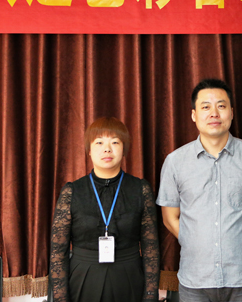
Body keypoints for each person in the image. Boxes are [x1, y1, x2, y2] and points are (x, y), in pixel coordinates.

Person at [157, 78, 242, 302]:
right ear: (194, 115)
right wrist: (196, 242)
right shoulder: (175, 162)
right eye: (205, 107)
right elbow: (169, 217)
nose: (214, 113)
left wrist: (240, 242)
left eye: (221, 106)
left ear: (231, 112)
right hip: (194, 279)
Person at [49, 117, 160, 302]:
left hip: (129, 277)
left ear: (124, 149)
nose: (107, 149)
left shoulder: (141, 189)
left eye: (115, 142)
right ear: (89, 150)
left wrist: (150, 296)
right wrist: (61, 298)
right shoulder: (72, 191)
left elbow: (151, 249)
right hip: (83, 278)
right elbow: (58, 253)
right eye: (99, 142)